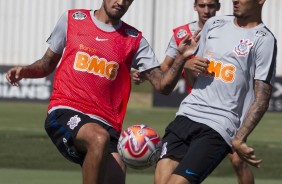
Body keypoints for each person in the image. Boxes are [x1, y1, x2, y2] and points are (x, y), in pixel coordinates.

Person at [5, 0, 199, 184]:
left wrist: (181, 58)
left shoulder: (134, 40)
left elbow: (163, 86)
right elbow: (47, 64)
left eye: (127, 0)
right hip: (66, 110)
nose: (121, 3)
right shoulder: (72, 20)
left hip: (108, 124)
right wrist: (25, 71)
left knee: (115, 172)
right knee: (98, 138)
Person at [154, 0, 277, 184]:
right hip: (186, 114)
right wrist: (187, 66)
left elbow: (262, 98)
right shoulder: (214, 25)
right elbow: (194, 80)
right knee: (160, 181)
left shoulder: (264, 39)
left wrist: (239, 138)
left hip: (219, 125)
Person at [133, 0, 254, 183]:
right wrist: (145, 74)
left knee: (238, 161)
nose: (207, 10)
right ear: (195, 6)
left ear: (218, 7)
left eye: (211, 6)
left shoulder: (229, 29)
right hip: (194, 110)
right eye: (202, 5)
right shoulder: (182, 34)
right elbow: (166, 66)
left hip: (223, 111)